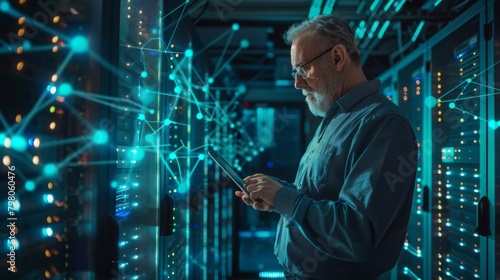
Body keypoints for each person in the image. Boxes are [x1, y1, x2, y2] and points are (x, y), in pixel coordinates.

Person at [235, 14, 418, 279]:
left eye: (303, 69)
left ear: (337, 58)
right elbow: (321, 193)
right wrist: (278, 196)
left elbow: (355, 232)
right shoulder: (334, 117)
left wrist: (285, 199)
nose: (297, 83)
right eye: (294, 72)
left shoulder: (383, 123)